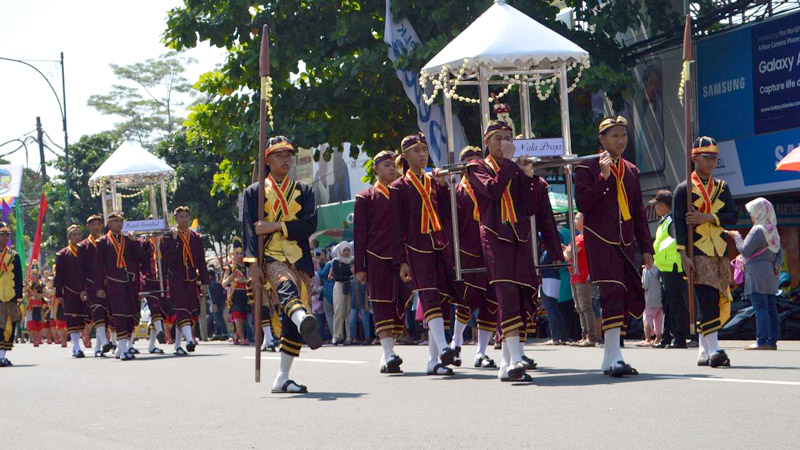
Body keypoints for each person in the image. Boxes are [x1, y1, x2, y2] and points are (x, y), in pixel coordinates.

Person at [575, 116, 654, 377]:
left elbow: (638, 212)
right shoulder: (587, 165)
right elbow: (584, 204)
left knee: (626, 296)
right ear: (602, 139)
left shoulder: (631, 170)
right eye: (614, 135)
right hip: (600, 240)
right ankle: (615, 356)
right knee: (612, 293)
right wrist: (604, 177)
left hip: (625, 241)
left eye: (623, 135)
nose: (620, 140)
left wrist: (646, 248)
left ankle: (610, 357)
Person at [243, 136, 322, 394]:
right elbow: (248, 231)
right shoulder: (254, 193)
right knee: (284, 286)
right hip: (270, 256)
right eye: (279, 155)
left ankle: (282, 377)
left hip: (299, 256)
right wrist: (252, 265)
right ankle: (303, 318)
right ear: (267, 159)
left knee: (291, 319)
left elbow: (309, 225)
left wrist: (275, 226)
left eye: (289, 154)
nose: (286, 159)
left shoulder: (304, 190)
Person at [466, 121, 543, 382]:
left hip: (519, 237)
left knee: (521, 294)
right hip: (496, 237)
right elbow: (493, 191)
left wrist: (529, 176)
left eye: (508, 137)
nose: (503, 143)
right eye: (497, 138)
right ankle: (515, 359)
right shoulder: (476, 167)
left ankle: (508, 363)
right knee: (506, 293)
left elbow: (531, 207)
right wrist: (511, 165)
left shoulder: (514, 167)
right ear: (486, 142)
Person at [390, 132, 459, 376]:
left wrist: (443, 186)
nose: (422, 155)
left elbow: (449, 213)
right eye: (417, 151)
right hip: (415, 248)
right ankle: (443, 347)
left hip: (439, 244)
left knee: (442, 298)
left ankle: (433, 361)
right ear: (406, 156)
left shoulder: (432, 181)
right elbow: (396, 228)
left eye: (424, 150)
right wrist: (401, 262)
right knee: (429, 295)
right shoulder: (398, 187)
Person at [673, 136, 738, 368]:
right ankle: (715, 349)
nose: (711, 162)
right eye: (706, 157)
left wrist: (707, 217)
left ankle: (703, 349)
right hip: (697, 250)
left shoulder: (722, 188)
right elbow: (679, 224)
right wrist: (684, 255)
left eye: (714, 158)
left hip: (719, 250)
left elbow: (733, 215)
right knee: (706, 297)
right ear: (694, 158)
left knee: (715, 297)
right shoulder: (684, 190)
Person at [354, 150, 409, 372]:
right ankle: (388, 352)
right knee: (381, 304)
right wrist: (360, 266)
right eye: (386, 165)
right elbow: (359, 234)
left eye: (393, 165)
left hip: (402, 259)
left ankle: (388, 354)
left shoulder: (402, 193)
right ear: (376, 169)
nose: (392, 169)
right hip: (377, 258)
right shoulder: (365, 197)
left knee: (400, 304)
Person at [445, 146, 498, 368]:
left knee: (491, 302)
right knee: (465, 302)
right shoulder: (457, 191)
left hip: (492, 252)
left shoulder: (489, 188)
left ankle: (481, 353)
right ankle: (456, 342)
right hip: (467, 254)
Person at [726, 198, 783, 350]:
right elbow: (779, 251)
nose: (751, 216)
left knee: (760, 307)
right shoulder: (772, 229)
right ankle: (772, 341)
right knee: (771, 307)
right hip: (770, 272)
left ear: (759, 212)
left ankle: (761, 341)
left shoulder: (758, 230)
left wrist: (737, 237)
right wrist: (776, 264)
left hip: (757, 272)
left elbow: (745, 249)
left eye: (752, 213)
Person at [93, 212, 148, 361]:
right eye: (115, 221)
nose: (119, 224)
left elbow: (142, 257)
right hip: (112, 282)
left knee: (131, 313)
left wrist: (135, 241)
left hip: (130, 282)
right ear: (109, 224)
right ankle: (122, 348)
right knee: (120, 314)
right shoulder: (102, 242)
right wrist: (98, 287)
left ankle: (123, 347)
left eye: (121, 221)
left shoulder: (128, 240)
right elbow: (98, 267)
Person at [161, 206, 210, 355]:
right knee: (181, 308)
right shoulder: (168, 236)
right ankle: (189, 340)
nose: (184, 219)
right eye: (180, 217)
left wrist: (204, 280)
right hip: (175, 276)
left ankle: (177, 345)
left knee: (189, 310)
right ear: (175, 219)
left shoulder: (195, 237)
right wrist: (175, 240)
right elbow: (167, 258)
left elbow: (201, 260)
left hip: (191, 277)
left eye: (186, 217)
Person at [648, 190, 689, 348]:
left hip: (673, 267)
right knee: (667, 304)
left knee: (675, 303)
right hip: (665, 267)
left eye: (657, 205)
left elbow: (678, 242)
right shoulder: (664, 221)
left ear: (664, 206)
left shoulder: (671, 221)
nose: (655, 208)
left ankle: (679, 338)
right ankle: (666, 338)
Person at [78, 214, 114, 357]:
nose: (96, 227)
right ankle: (105, 341)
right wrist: (82, 289)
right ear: (88, 227)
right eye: (93, 224)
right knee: (97, 311)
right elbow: (80, 269)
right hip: (92, 284)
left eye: (98, 224)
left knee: (106, 314)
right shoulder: (83, 246)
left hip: (107, 282)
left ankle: (98, 347)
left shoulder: (106, 242)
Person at [55, 224, 91, 358]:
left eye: (79, 234)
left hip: (84, 289)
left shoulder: (85, 250)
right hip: (69, 290)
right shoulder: (63, 253)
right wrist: (59, 293)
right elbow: (59, 276)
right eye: (74, 234)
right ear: (69, 236)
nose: (77, 237)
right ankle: (76, 346)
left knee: (83, 317)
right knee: (72, 317)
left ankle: (81, 341)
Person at [564, 212, 596, 346]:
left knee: (585, 307)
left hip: (582, 276)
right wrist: (567, 251)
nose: (574, 221)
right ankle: (584, 335)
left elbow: (568, 254)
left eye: (577, 218)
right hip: (575, 277)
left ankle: (591, 336)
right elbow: (568, 254)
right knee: (579, 307)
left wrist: (567, 250)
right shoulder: (577, 237)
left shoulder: (583, 238)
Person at [140, 235, 168, 354]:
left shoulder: (164, 241)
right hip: (147, 280)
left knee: (159, 311)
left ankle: (152, 345)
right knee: (154, 306)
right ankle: (160, 332)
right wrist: (146, 243)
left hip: (162, 281)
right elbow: (140, 257)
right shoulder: (142, 241)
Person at [0, 222, 23, 367]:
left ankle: (4, 354)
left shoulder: (14, 255)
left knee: (10, 325)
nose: (4, 237)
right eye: (2, 234)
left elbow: (19, 277)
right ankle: (0, 354)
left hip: (11, 295)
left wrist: (19, 297)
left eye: (6, 234)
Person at [223, 240, 250, 345]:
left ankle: (236, 336)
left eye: (241, 253)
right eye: (237, 253)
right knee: (238, 316)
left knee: (243, 317)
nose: (239, 255)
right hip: (235, 294)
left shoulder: (246, 266)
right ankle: (242, 338)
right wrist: (232, 277)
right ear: (232, 254)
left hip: (246, 293)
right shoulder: (229, 267)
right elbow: (224, 284)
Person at [330, 241, 354, 345]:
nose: (346, 252)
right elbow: (336, 277)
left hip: (350, 287)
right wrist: (349, 277)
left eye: (348, 249)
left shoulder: (352, 261)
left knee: (349, 312)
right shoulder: (336, 261)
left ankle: (349, 337)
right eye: (344, 250)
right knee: (339, 311)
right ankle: (337, 336)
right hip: (339, 286)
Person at [639, 265, 663, 347]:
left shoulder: (647, 270)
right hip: (660, 299)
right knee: (659, 319)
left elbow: (645, 285)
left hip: (650, 298)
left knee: (647, 317)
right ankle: (658, 338)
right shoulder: (660, 267)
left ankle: (647, 339)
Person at [25, 268, 45, 347]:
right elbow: (25, 293)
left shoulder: (41, 284)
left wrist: (38, 295)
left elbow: (45, 293)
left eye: (36, 274)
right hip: (31, 305)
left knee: (39, 322)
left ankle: (38, 338)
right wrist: (29, 293)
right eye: (33, 274)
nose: (35, 276)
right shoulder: (29, 284)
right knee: (32, 323)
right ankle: (34, 339)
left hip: (39, 304)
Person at [209, 271, 228, 341]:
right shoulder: (217, 283)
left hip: (217, 303)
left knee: (218, 318)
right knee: (216, 318)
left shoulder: (213, 284)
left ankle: (224, 333)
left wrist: (214, 304)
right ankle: (217, 333)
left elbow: (214, 296)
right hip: (221, 302)